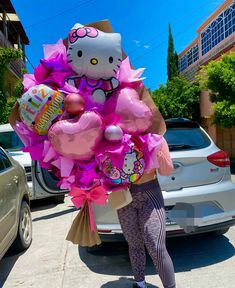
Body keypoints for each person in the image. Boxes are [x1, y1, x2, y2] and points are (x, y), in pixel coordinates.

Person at [117, 112, 176, 288]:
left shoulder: (156, 139)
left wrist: (155, 149)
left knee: (156, 246)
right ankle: (139, 282)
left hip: (150, 193)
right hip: (124, 197)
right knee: (134, 243)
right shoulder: (115, 141)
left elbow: (166, 171)